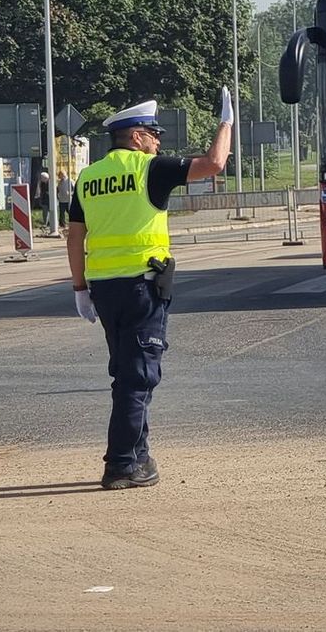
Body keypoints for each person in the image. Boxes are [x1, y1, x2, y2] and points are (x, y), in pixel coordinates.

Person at [66, 88, 233, 491]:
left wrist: (80, 289)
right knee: (138, 377)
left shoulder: (88, 178)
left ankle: (139, 456)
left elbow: (74, 237)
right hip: (141, 287)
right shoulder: (149, 169)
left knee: (126, 374)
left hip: (104, 290)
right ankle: (121, 464)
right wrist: (226, 123)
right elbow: (214, 163)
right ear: (137, 136)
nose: (159, 141)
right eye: (153, 134)